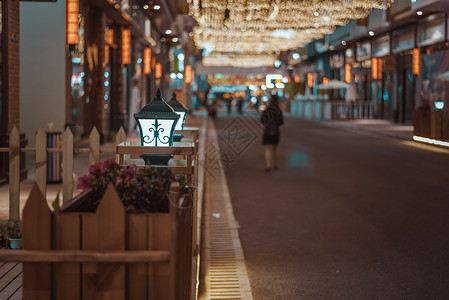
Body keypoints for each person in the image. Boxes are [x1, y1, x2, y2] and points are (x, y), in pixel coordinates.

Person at [261, 95, 284, 172]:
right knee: (275, 148)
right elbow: (281, 122)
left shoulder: (267, 110)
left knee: (268, 148)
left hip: (267, 130)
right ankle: (276, 164)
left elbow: (262, 120)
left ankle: (268, 165)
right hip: (276, 131)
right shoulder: (278, 111)